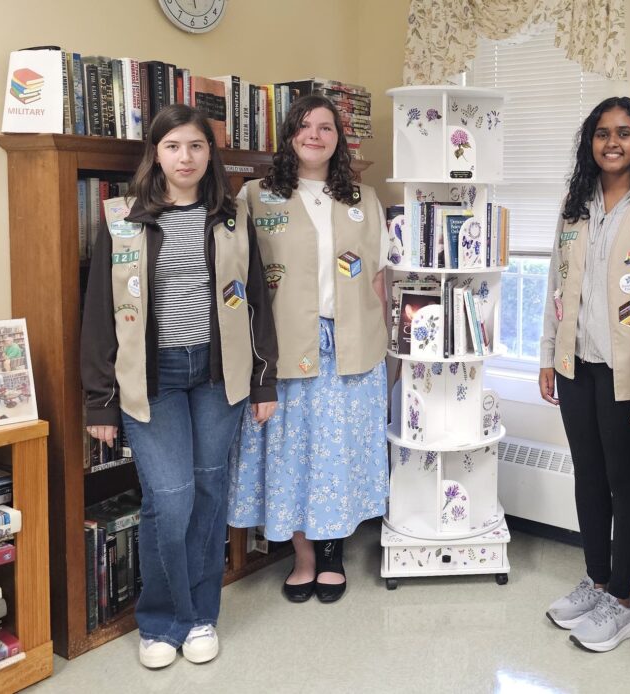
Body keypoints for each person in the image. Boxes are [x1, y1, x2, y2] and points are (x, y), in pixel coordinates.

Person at [80, 104, 278, 669]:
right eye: (173, 147)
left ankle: (201, 618)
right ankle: (163, 620)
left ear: (209, 153)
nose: (185, 157)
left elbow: (257, 302)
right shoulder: (122, 220)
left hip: (219, 377)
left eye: (195, 145)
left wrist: (265, 383)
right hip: (152, 381)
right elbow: (98, 315)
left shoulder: (234, 216)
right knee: (170, 499)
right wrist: (100, 400)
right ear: (156, 154)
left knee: (210, 493)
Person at [228, 95, 390, 605]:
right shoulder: (256, 197)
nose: (315, 136)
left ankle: (334, 554)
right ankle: (302, 557)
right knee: (292, 455)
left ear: (339, 138)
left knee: (337, 455)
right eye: (304, 126)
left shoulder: (364, 200)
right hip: (285, 348)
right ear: (289, 135)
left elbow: (379, 282)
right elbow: (239, 281)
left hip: (353, 350)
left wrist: (388, 348)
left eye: (325, 127)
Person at [539, 96, 630, 652]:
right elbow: (555, 282)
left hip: (628, 375)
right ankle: (596, 582)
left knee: (625, 483)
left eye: (623, 132)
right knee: (588, 477)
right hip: (576, 365)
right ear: (589, 143)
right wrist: (548, 355)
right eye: (601, 133)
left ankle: (622, 598)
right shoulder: (575, 205)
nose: (611, 142)